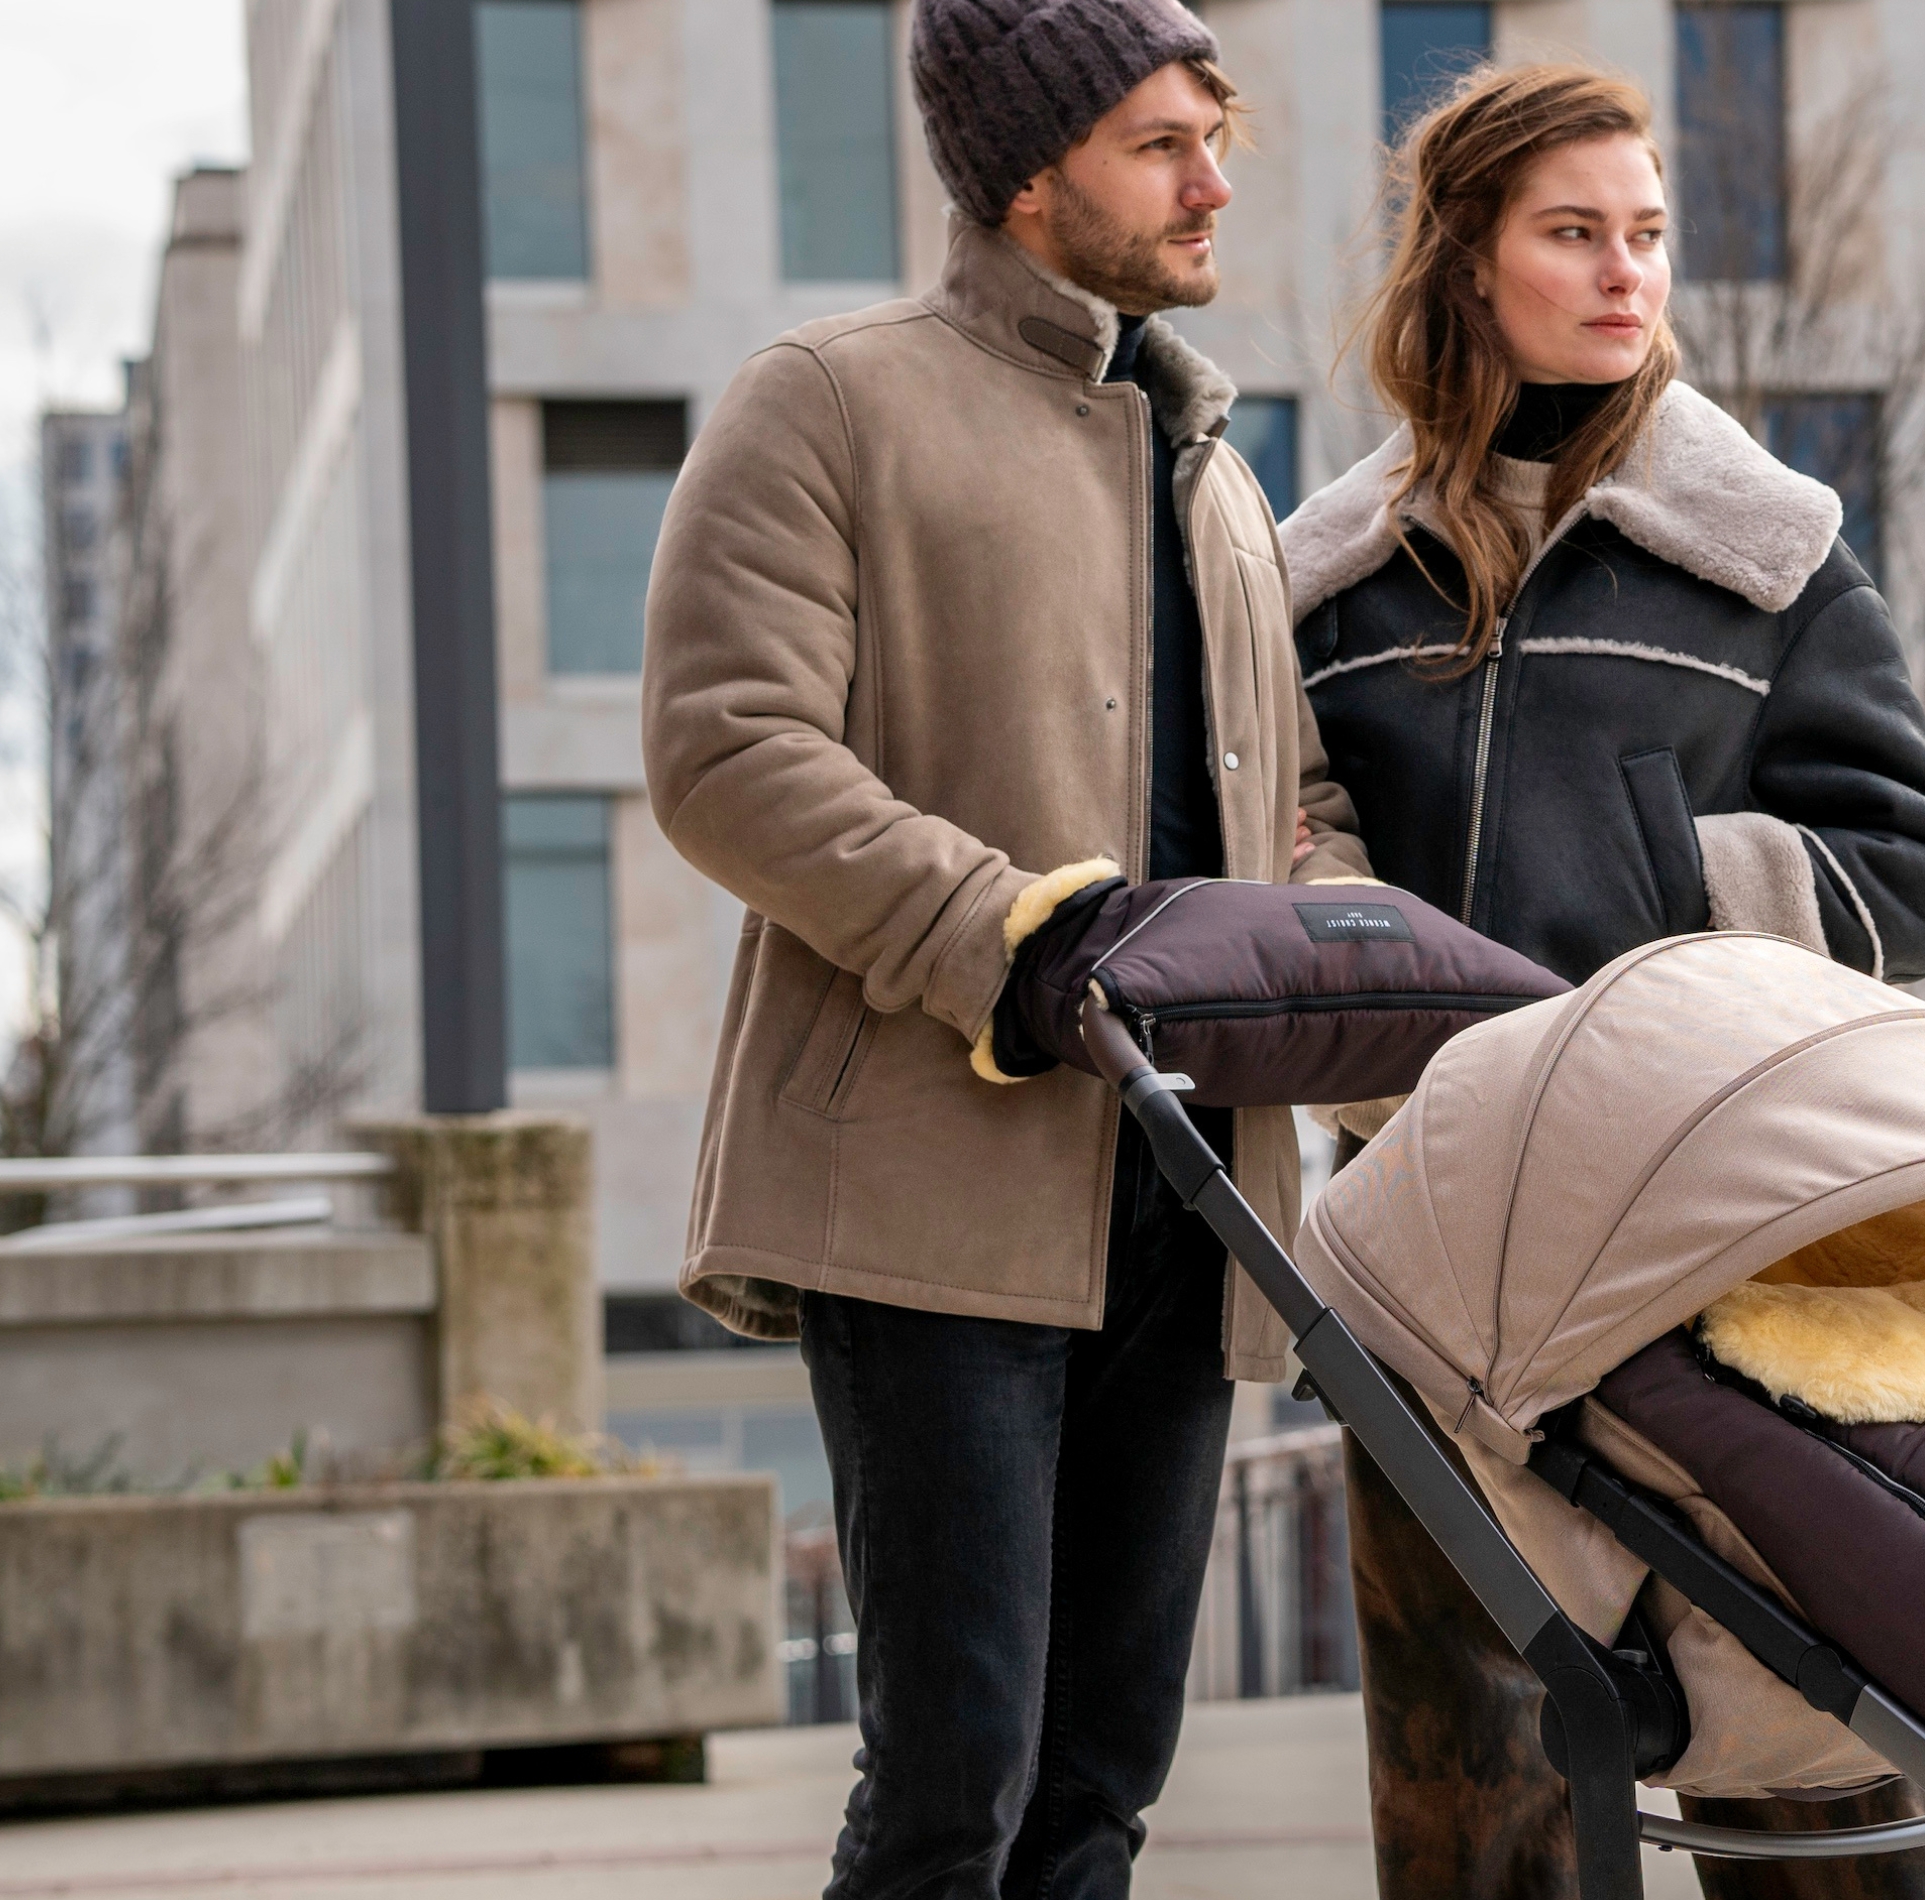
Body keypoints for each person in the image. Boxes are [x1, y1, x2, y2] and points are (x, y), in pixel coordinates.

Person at [640, 3, 1366, 1894]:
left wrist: (1362, 953)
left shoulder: (1216, 472)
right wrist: (1013, 939)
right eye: (1159, 143)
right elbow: (726, 752)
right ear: (1028, 175)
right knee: (957, 1772)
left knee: (1102, 1781)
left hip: (1195, 1194)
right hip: (927, 1181)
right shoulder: (830, 396)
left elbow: (1282, 807)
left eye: (1217, 134)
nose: (1214, 180)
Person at [1273, 63, 1925, 1900]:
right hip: (1432, 1251)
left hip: (1715, 1238)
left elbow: (1922, 865)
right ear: (1465, 265)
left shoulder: (1766, 554)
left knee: (1789, 1741)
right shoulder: (1330, 584)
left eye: (1647, 235)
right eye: (1574, 234)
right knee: (1463, 1769)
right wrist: (1384, 991)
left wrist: (1654, 922)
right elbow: (1293, 835)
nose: (1624, 275)